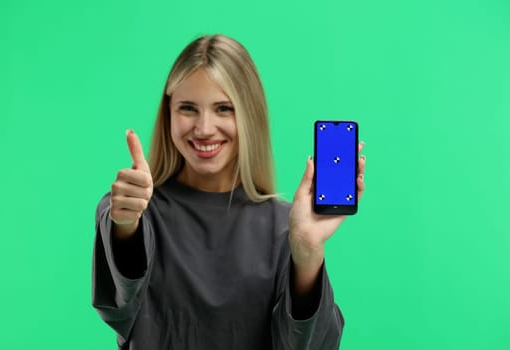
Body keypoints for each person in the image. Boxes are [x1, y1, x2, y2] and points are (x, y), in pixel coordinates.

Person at [92, 34, 367, 349]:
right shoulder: (136, 209)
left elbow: (311, 344)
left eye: (224, 108)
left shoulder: (284, 226)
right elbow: (119, 300)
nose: (204, 127)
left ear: (250, 115)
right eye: (187, 108)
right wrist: (126, 224)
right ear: (168, 112)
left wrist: (305, 251)